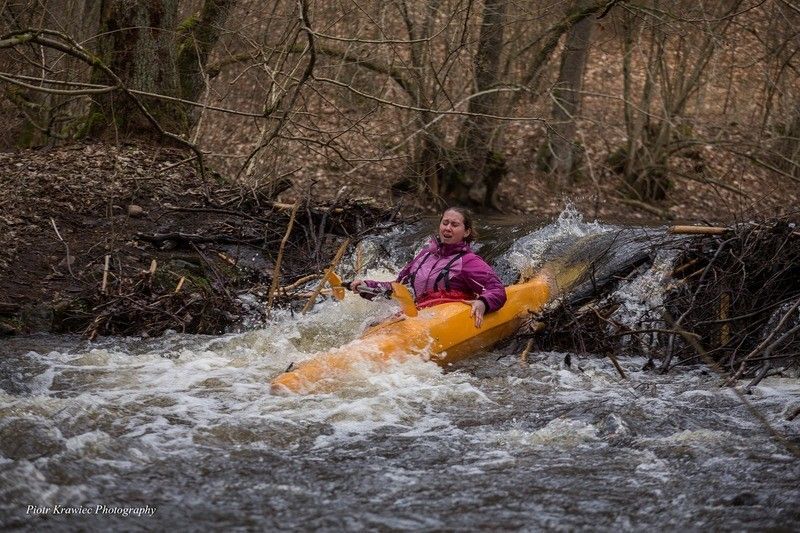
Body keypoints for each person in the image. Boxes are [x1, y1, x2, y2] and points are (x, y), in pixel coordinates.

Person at [351, 207, 506, 328]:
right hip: (416, 316)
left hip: (443, 320)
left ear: (466, 232)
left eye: (454, 225)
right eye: (445, 223)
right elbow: (398, 288)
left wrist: (483, 303)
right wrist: (367, 286)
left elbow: (497, 289)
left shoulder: (469, 261)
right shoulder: (425, 255)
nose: (447, 228)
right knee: (370, 325)